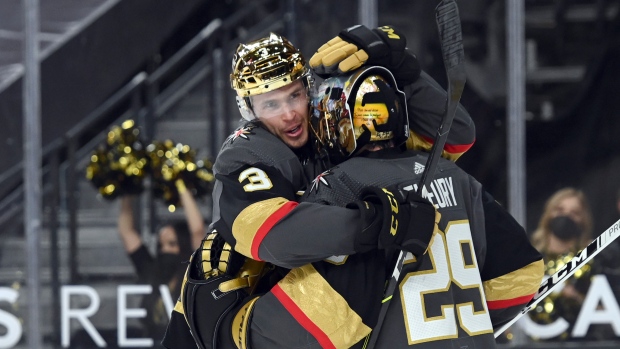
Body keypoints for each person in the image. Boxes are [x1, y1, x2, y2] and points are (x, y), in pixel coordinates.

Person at [162, 25, 476, 348]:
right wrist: (377, 223)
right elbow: (277, 236)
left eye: (294, 95)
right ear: (249, 110)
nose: (289, 115)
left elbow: (455, 139)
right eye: (271, 105)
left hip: (290, 313)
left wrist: (406, 77)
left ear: (307, 88)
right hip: (216, 317)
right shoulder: (246, 153)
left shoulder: (329, 124)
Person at [214, 66, 544, 348]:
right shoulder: (455, 176)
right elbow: (522, 276)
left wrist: (238, 328)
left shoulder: (339, 185)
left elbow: (306, 326)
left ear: (338, 122)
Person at [118, 179, 206, 345]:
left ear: (184, 245)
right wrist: (127, 189)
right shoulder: (150, 269)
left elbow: (197, 230)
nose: (165, 250)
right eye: (161, 245)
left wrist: (180, 182)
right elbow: (127, 232)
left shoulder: (193, 268)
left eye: (172, 244)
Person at [527, 187, 597, 341]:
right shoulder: (528, 255)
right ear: (549, 213)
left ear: (583, 220)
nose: (565, 216)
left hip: (578, 341)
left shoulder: (591, 259)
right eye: (559, 209)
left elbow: (604, 308)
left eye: (574, 213)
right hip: (529, 341)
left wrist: (575, 297)